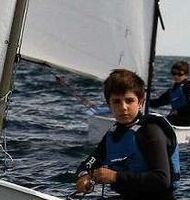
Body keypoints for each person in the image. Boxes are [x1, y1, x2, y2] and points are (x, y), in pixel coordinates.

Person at [75, 69, 181, 200]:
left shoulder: (151, 132)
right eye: (117, 102)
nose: (123, 107)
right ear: (109, 104)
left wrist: (115, 177)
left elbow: (161, 179)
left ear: (140, 102)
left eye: (129, 100)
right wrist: (84, 175)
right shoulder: (113, 133)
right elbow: (91, 161)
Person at [149, 60, 190, 126]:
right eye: (174, 73)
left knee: (161, 123)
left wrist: (179, 112)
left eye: (180, 74)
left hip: (187, 119)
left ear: (186, 75)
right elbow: (159, 102)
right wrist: (145, 101)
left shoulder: (189, 87)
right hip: (176, 117)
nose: (176, 76)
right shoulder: (173, 89)